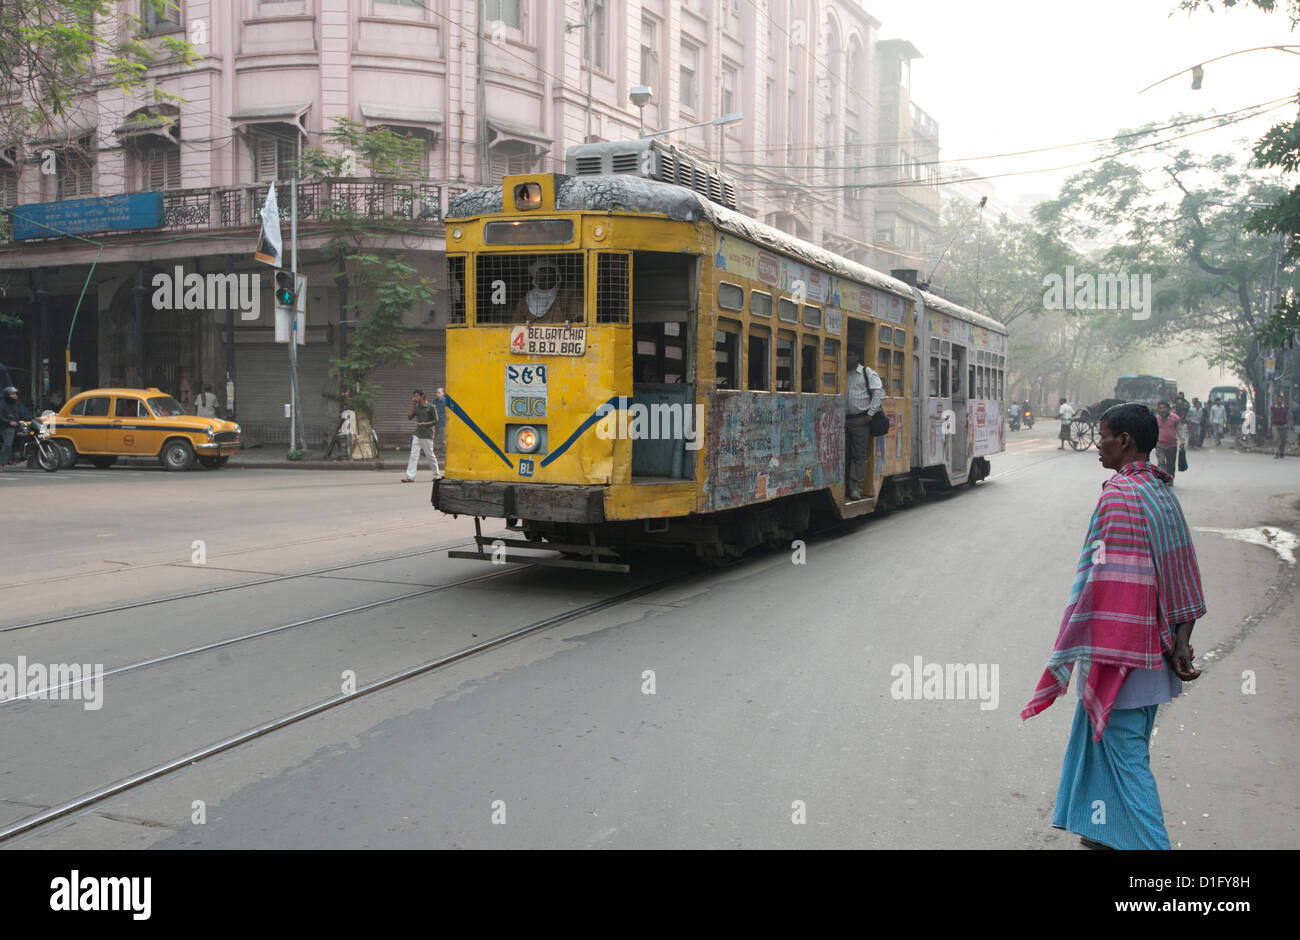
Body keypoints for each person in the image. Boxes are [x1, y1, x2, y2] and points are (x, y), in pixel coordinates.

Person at [1022, 402, 1205, 850]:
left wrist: (1086, 646)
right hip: (1155, 659)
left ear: (1124, 441)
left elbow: (1106, 587)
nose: (1097, 443)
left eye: (1103, 435)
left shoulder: (1119, 496)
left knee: (1127, 764)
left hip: (1122, 658)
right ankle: (1102, 832)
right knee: (1116, 752)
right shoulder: (1161, 493)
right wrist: (1181, 639)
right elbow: (1181, 573)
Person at [844, 348, 884, 501]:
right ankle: (845, 486)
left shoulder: (868, 373)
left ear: (857, 356)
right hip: (845, 419)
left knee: (858, 455)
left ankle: (856, 488)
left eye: (851, 354)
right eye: (847, 354)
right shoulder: (844, 373)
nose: (848, 357)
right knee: (845, 454)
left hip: (861, 420)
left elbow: (879, 394)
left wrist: (870, 415)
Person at [513, 261, 583, 323]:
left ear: (557, 276)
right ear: (535, 277)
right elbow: (516, 323)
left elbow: (578, 313)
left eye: (550, 272)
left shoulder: (568, 294)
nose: (546, 275)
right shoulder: (525, 300)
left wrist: (579, 319)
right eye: (542, 272)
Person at [401, 389, 441, 483]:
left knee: (430, 455)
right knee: (413, 455)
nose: (414, 398)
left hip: (427, 435)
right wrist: (413, 404)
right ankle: (410, 477)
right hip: (417, 434)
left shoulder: (431, 407)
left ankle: (437, 475)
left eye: (416, 396)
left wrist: (424, 423)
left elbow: (436, 421)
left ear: (422, 396)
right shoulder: (417, 408)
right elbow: (409, 417)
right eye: (414, 396)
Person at [1, 386, 32, 471]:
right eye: (12, 394)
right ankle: (1, 464)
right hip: (5, 427)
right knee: (8, 444)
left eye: (15, 394)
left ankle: (18, 455)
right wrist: (9, 422)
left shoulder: (16, 404)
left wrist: (33, 418)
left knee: (27, 435)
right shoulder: (2, 404)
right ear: (7, 395)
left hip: (17, 426)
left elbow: (22, 415)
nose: (14, 395)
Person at [1153, 400, 1179, 482]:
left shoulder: (1175, 418)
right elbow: (1153, 431)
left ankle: (1171, 478)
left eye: (1164, 408)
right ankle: (1162, 480)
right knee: (1161, 462)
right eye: (1160, 408)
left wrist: (1182, 441)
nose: (1162, 410)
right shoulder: (1156, 419)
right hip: (1160, 444)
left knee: (1171, 464)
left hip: (1172, 445)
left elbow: (1180, 430)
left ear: (1168, 409)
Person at [1271, 394, 1290, 459]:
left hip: (1283, 425)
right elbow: (1270, 416)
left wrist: (1288, 424)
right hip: (1275, 425)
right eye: (1278, 399)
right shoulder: (1273, 408)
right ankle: (1276, 452)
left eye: (1280, 399)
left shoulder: (1286, 407)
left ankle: (1281, 451)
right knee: (1276, 439)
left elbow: (1289, 415)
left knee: (1283, 440)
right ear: (1276, 400)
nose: (1279, 400)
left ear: (1282, 400)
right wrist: (1271, 424)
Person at [432, 386, 448, 462]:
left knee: (443, 439)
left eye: (439, 392)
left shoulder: (446, 401)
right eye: (436, 392)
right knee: (432, 438)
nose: (437, 394)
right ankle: (430, 452)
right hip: (435, 422)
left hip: (442, 422)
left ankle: (444, 453)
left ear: (443, 393)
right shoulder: (434, 401)